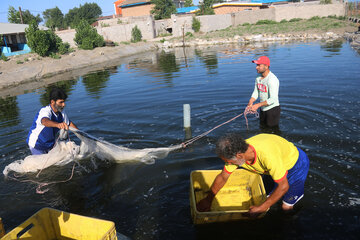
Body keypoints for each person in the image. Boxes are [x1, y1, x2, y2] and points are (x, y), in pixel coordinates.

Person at [196, 133, 309, 217]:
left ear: (239, 156)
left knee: (285, 207)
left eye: (229, 162)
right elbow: (223, 176)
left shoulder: (267, 157)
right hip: (277, 162)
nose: (228, 164)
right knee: (267, 197)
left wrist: (261, 208)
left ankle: (289, 226)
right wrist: (208, 199)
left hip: (295, 165)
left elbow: (284, 186)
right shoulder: (237, 152)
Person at [27, 87, 78, 155]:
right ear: (52, 102)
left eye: (64, 101)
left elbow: (69, 123)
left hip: (50, 143)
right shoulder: (45, 111)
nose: (64, 104)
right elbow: (44, 121)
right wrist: (57, 124)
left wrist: (81, 134)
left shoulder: (61, 112)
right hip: (37, 144)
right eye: (61, 102)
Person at [246, 56, 280, 127]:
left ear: (266, 66)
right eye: (256, 65)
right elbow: (256, 91)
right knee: (262, 128)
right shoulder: (258, 76)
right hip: (263, 108)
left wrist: (257, 105)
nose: (256, 67)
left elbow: (273, 99)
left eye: (259, 65)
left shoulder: (272, 80)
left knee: (272, 131)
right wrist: (251, 101)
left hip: (272, 110)